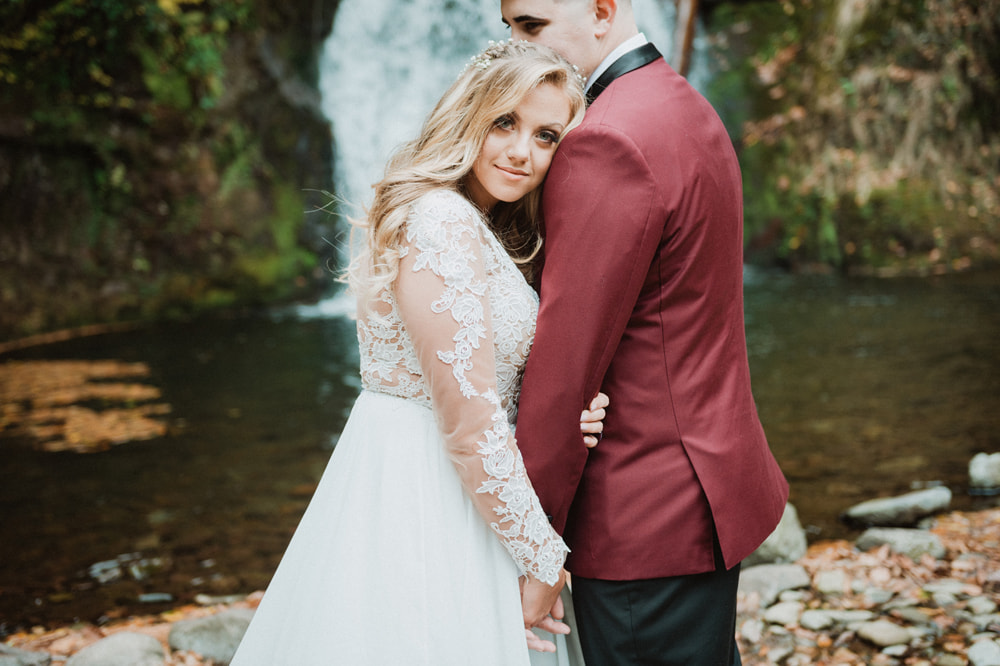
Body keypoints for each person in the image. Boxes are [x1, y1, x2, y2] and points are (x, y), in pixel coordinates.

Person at [231, 40, 603, 665]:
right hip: (427, 486)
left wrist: (569, 411)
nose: (521, 151)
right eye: (505, 122)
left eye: (546, 136)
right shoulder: (441, 219)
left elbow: (494, 384)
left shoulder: (476, 223)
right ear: (469, 116)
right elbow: (468, 422)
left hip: (457, 477)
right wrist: (543, 558)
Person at [500, 1, 790, 664]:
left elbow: (567, 366)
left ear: (603, 9)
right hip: (703, 489)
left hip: (640, 514)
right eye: (510, 28)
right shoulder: (681, 102)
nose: (518, 49)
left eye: (532, 26)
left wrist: (533, 543)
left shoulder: (605, 139)